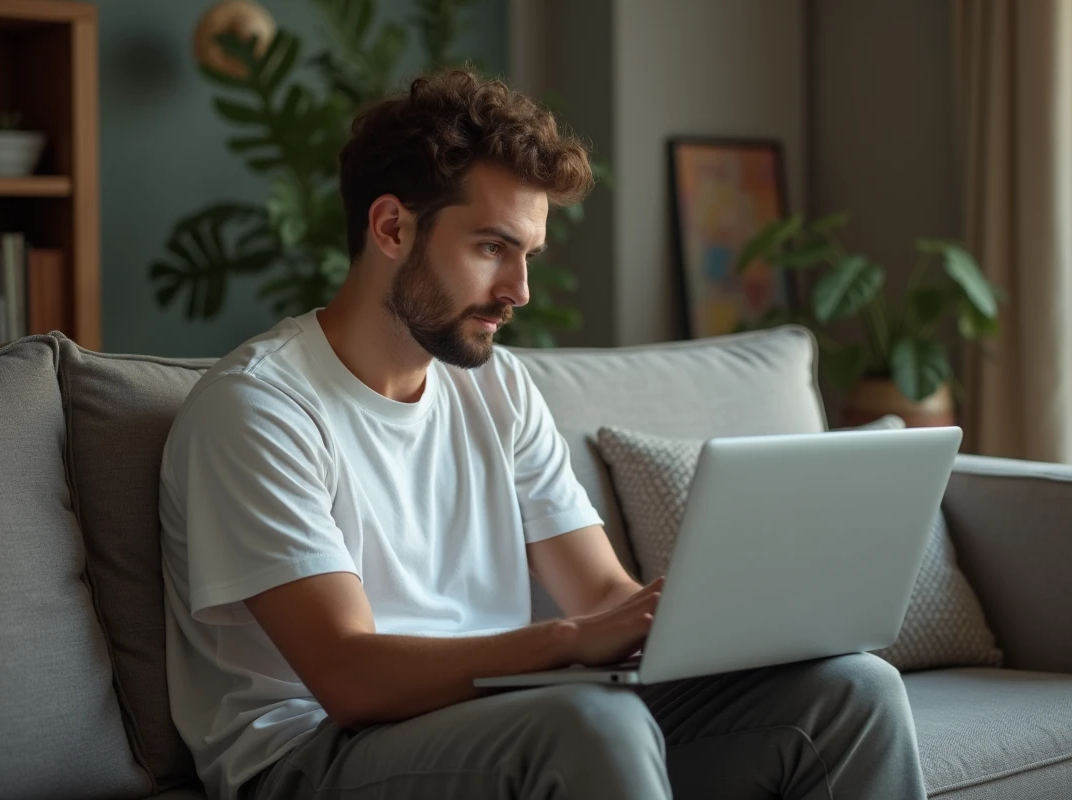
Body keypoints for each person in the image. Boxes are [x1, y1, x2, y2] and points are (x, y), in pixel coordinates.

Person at [158, 68, 928, 800]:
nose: (518, 292)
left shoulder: (495, 387)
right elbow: (351, 678)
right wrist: (565, 642)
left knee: (851, 692)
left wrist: (701, 625)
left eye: (527, 256)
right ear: (392, 226)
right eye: (492, 248)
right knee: (591, 721)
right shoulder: (261, 409)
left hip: (506, 719)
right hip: (315, 755)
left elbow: (599, 592)